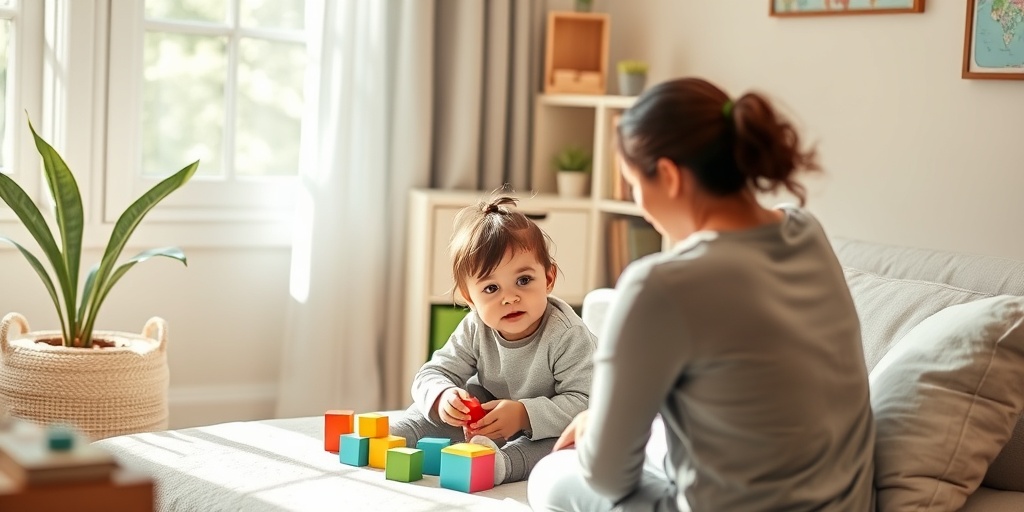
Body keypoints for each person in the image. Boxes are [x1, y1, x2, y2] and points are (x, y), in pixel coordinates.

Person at [527, 77, 875, 511]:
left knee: (551, 475)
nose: (640, 204)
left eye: (634, 183)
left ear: (669, 176)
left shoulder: (661, 285)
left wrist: (595, 424)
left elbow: (609, 477)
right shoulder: (806, 230)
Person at [390, 194, 597, 486]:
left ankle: (503, 464)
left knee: (567, 447)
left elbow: (585, 404)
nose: (510, 297)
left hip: (550, 423)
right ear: (469, 298)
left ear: (548, 279)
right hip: (491, 418)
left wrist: (524, 414)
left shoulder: (567, 335)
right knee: (441, 409)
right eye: (490, 288)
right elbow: (432, 373)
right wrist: (444, 397)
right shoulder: (475, 326)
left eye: (523, 280)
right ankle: (399, 434)